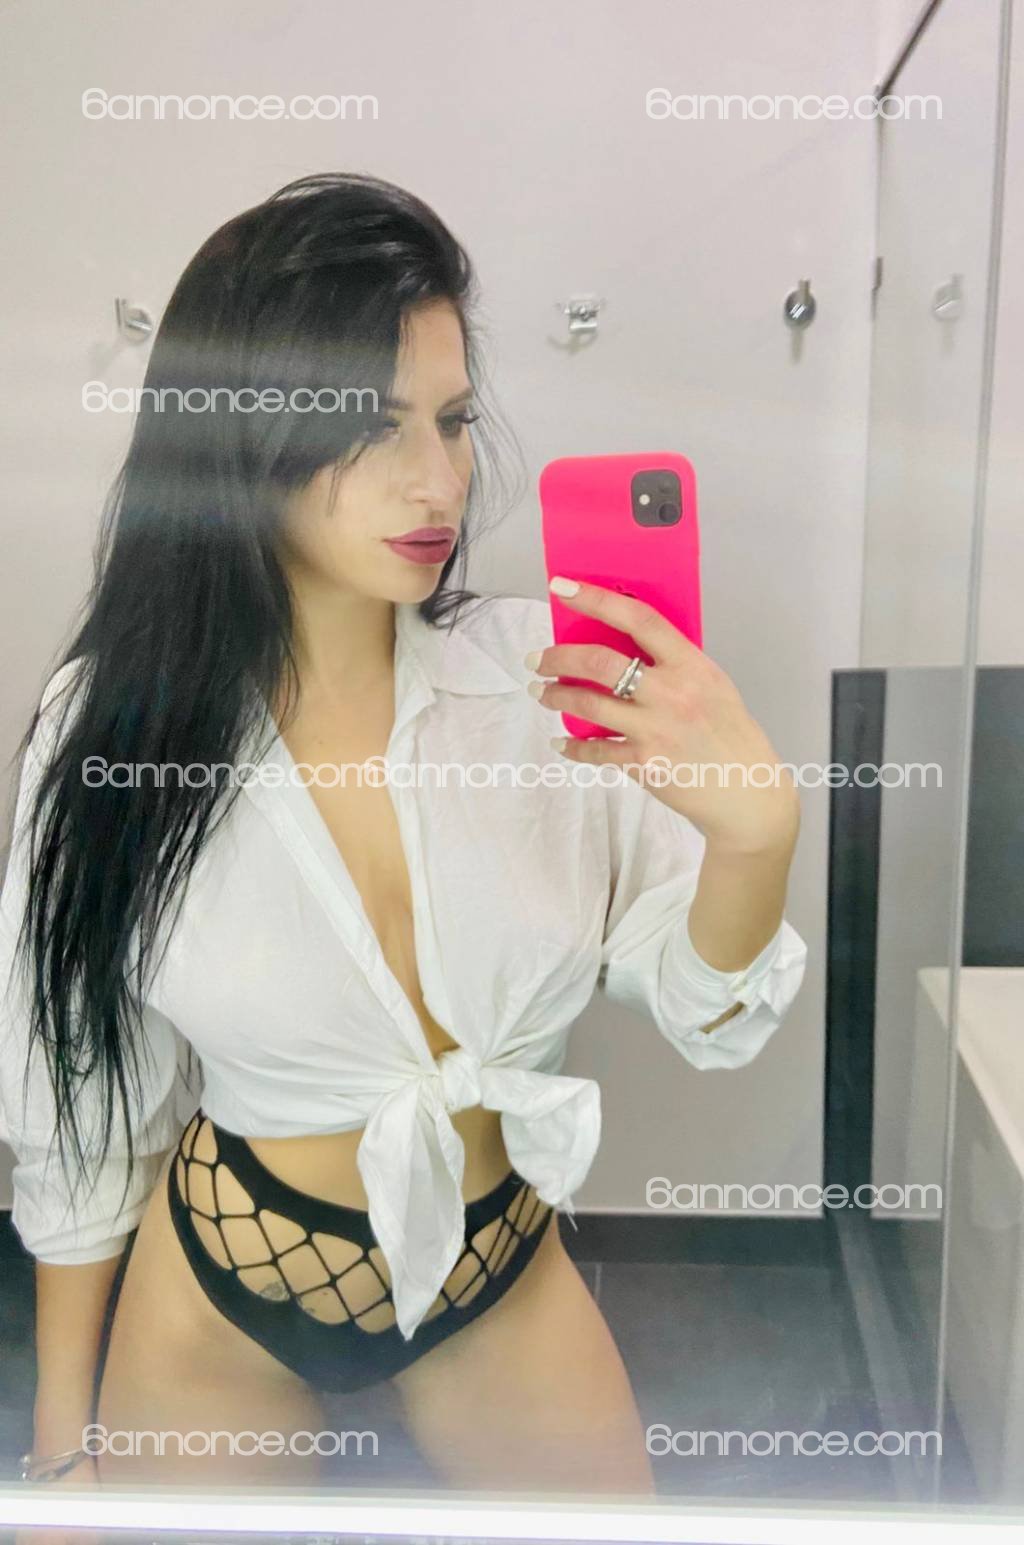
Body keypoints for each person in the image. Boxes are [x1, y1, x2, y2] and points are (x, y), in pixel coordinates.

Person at [0, 172, 807, 1503]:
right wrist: (59, 1450)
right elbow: (82, 1097)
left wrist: (755, 842)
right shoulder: (117, 731)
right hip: (226, 1291)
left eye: (453, 420)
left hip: (497, 1275)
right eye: (371, 428)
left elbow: (700, 1004)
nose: (437, 481)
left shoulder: (542, 682)